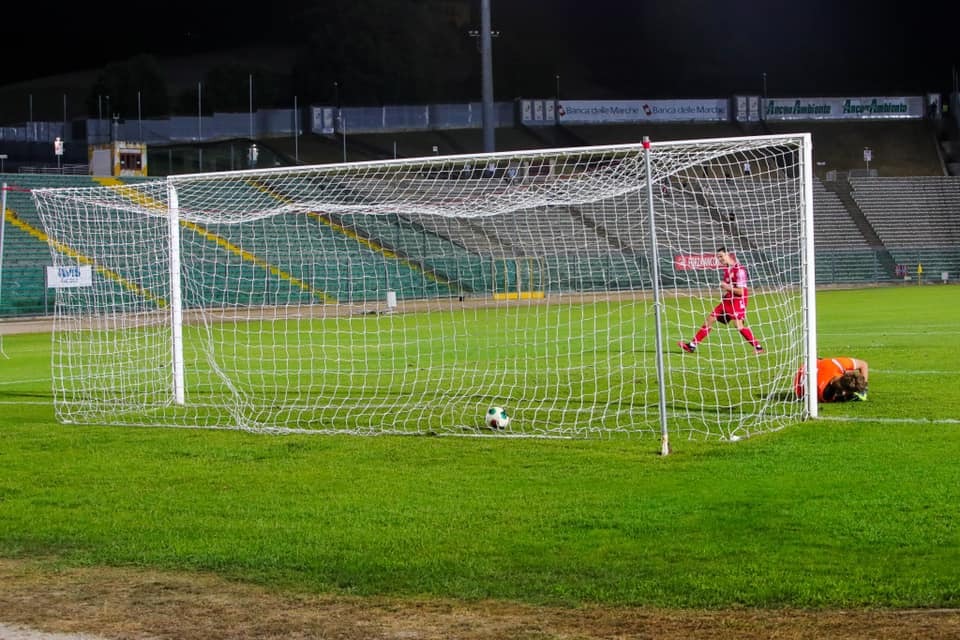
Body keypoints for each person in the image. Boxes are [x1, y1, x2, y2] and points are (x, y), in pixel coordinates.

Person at [678, 247, 763, 354]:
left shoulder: (739, 270)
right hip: (728, 299)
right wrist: (726, 292)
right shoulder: (727, 269)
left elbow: (741, 292)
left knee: (738, 325)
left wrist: (726, 287)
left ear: (728, 255)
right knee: (710, 319)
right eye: (718, 257)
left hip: (738, 301)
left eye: (721, 256)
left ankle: (758, 347)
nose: (720, 259)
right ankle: (692, 345)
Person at [794, 357, 869, 402]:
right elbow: (864, 365)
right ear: (845, 391)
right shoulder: (826, 394)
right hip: (798, 388)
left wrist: (863, 388)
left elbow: (864, 364)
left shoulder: (838, 364)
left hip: (807, 366)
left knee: (821, 360)